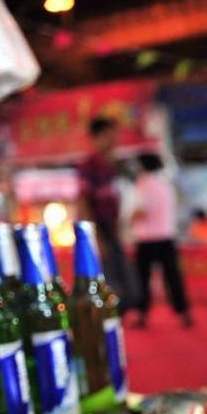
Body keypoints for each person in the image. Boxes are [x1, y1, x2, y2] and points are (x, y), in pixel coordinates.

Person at [77, 116, 136, 312]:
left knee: (122, 275)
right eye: (109, 135)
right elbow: (83, 201)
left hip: (113, 228)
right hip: (99, 229)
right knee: (108, 278)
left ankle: (121, 313)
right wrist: (95, 236)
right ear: (96, 137)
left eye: (115, 135)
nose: (114, 140)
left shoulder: (113, 167)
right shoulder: (89, 167)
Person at [131, 153, 192, 328]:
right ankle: (184, 312)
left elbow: (140, 211)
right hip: (167, 236)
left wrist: (129, 219)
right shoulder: (166, 184)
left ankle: (142, 313)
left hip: (147, 238)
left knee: (143, 279)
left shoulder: (142, 184)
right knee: (173, 277)